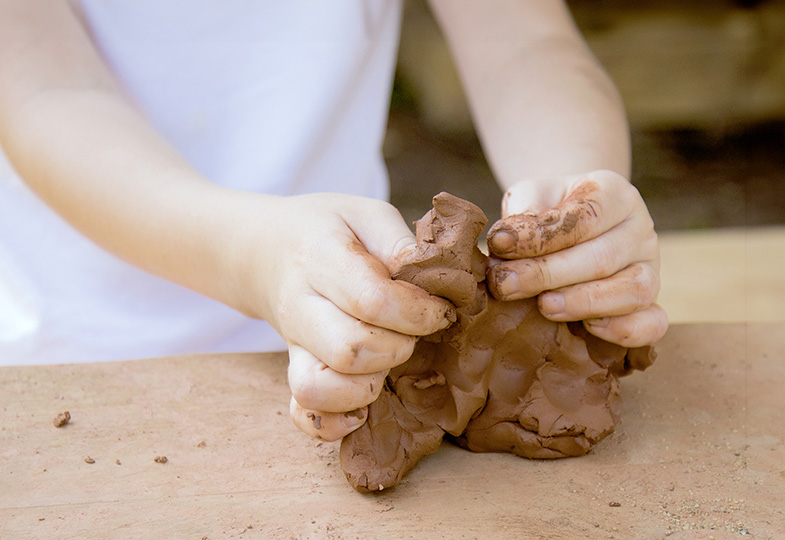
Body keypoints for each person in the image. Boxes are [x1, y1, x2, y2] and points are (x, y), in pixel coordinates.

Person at [0, 0, 667, 442]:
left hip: (360, 335)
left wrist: (575, 198)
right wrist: (251, 258)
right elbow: (44, 95)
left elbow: (525, 43)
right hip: (75, 357)